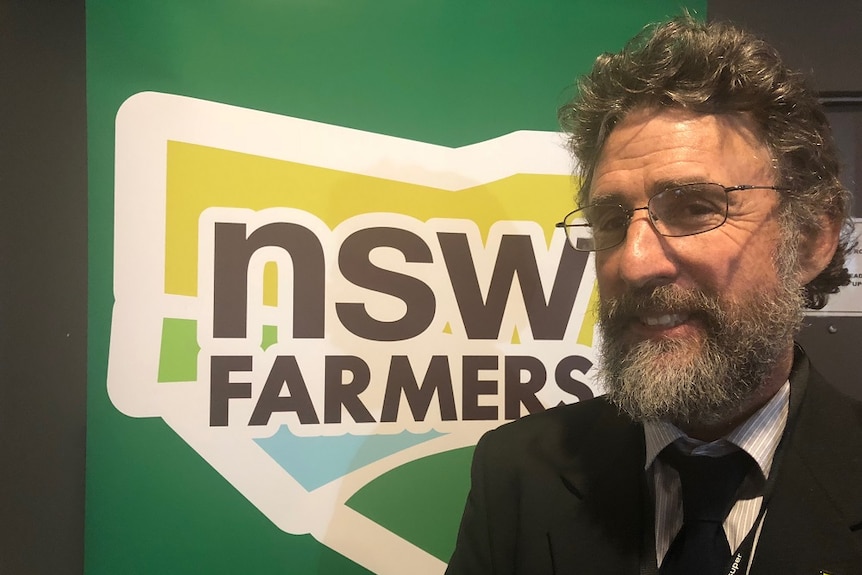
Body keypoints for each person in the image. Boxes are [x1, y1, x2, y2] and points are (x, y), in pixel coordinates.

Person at [446, 15, 862, 575]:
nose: (635, 262)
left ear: (810, 240)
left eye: (695, 208)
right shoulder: (517, 471)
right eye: (613, 220)